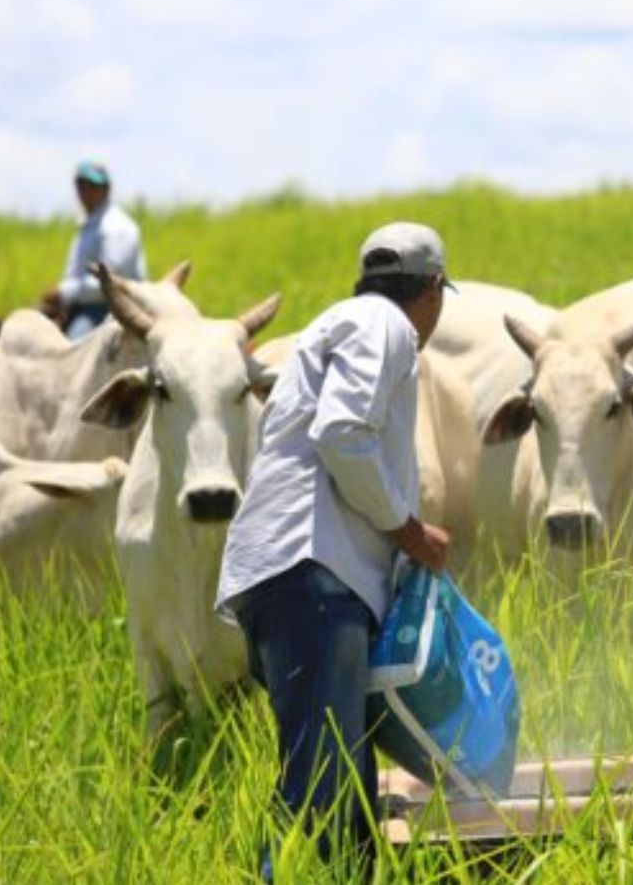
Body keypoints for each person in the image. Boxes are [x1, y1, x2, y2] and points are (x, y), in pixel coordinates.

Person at [216, 221, 454, 878]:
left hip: (291, 579)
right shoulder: (384, 325)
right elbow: (343, 434)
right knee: (314, 796)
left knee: (346, 797)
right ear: (433, 290)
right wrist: (410, 531)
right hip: (314, 582)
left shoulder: (336, 328)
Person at [49, 161, 147, 340]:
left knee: (72, 350)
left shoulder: (116, 228)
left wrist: (64, 292)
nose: (86, 192)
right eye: (81, 186)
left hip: (110, 310)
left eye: (92, 186)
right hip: (84, 306)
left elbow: (111, 282)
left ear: (106, 189)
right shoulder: (90, 224)